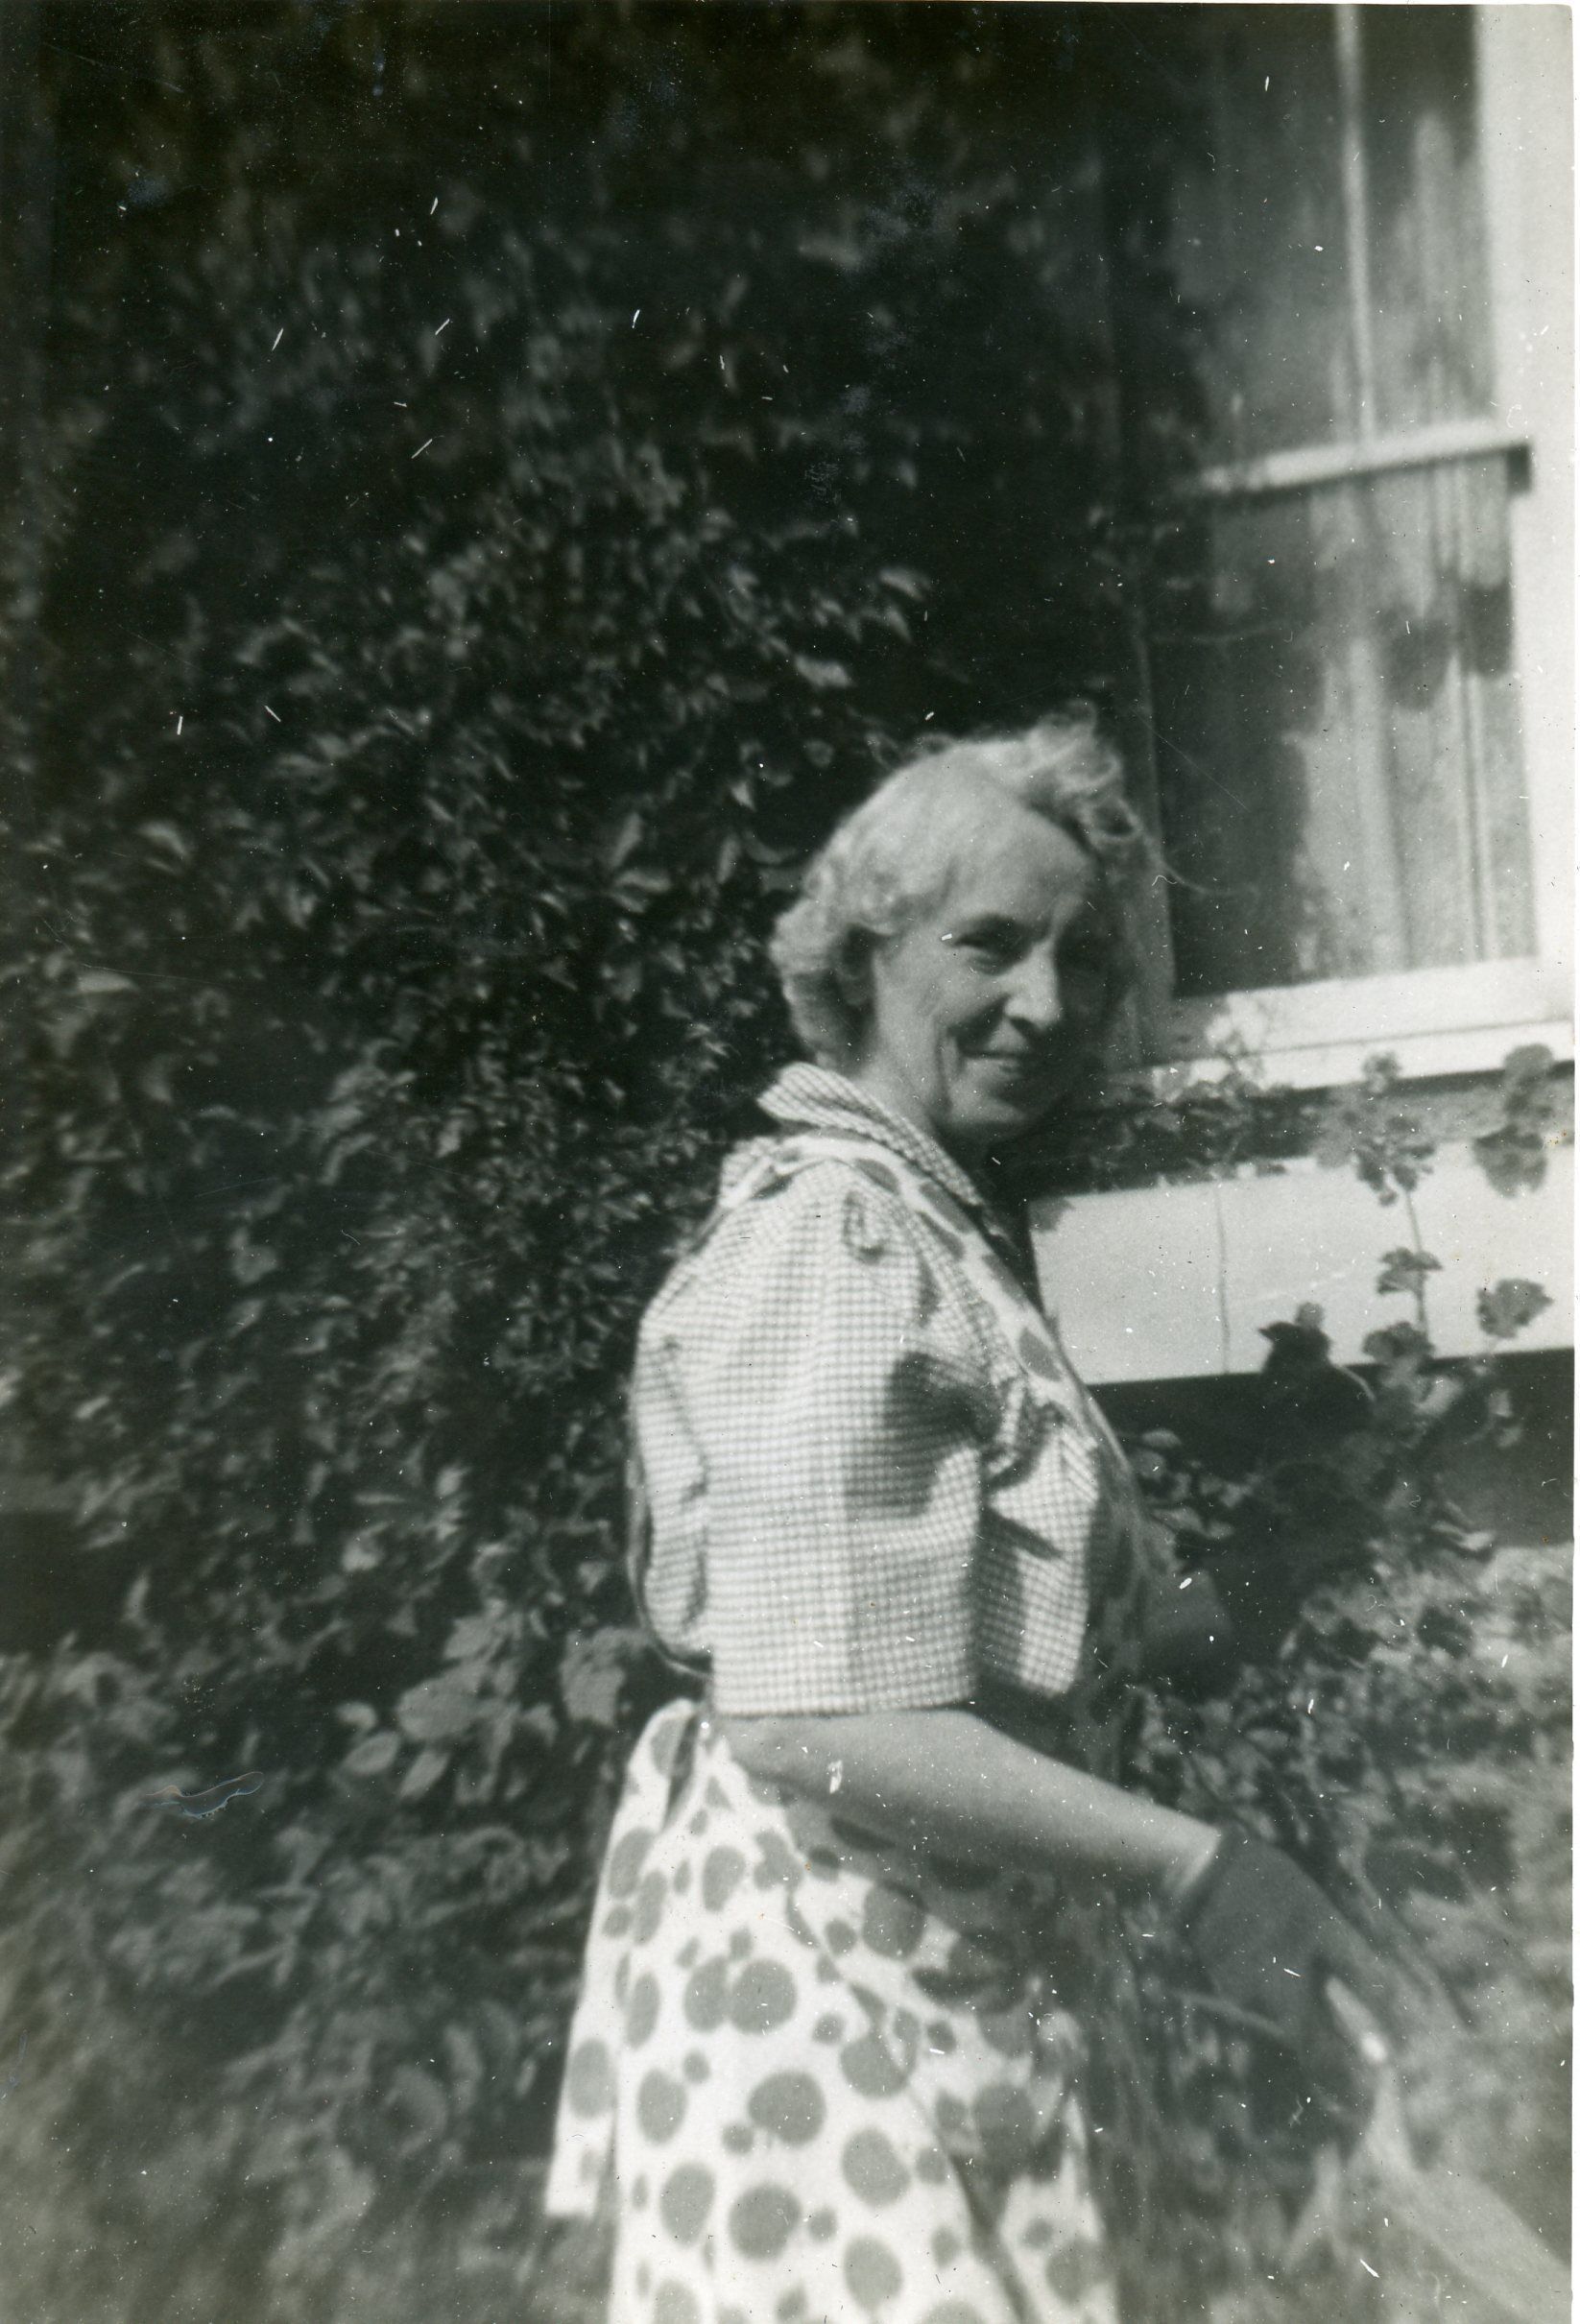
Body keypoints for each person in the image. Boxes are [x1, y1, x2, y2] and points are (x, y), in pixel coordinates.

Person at [544, 713, 1405, 2324]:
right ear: (862, 958)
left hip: (956, 1981)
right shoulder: (833, 1242)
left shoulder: (929, 1227)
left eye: (1086, 962)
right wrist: (1199, 1868)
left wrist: (1242, 1583)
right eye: (990, 944)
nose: (1047, 1004)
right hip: (840, 2011)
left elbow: (973, 1640)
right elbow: (817, 1713)